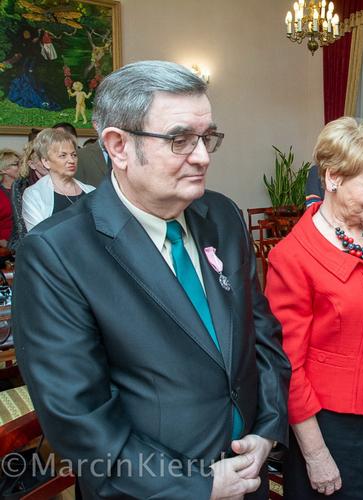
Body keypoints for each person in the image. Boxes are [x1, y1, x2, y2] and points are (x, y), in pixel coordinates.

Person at [13, 60, 291, 499]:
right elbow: (77, 417)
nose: (202, 156)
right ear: (118, 146)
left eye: (206, 138)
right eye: (180, 140)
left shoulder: (221, 215)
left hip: (247, 473)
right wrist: (198, 486)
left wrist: (267, 430)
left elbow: (262, 335)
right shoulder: (58, 251)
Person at [265, 117, 363, 499]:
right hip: (333, 423)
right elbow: (289, 367)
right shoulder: (292, 257)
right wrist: (315, 453)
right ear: (333, 178)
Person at [21, 128, 95, 231]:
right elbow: (38, 236)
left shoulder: (91, 191)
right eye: (63, 155)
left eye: (74, 155)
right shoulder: (34, 194)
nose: (71, 160)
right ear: (46, 162)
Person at [9, 142, 48, 250]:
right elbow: (20, 223)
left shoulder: (58, 181)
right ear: (31, 164)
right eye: (42, 159)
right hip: (25, 240)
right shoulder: (21, 184)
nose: (47, 163)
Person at [0, 150, 17, 247]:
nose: (21, 166)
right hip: (4, 246)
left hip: (25, 242)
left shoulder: (27, 189)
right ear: (2, 170)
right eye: (16, 164)